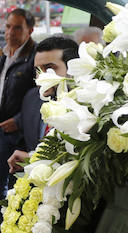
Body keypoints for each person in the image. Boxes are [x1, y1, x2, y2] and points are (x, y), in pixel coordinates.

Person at [0, 8, 37, 233]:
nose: (10, 33)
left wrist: (18, 120)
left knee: (19, 186)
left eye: (17, 28)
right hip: (4, 131)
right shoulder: (2, 55)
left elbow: (39, 96)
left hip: (25, 133)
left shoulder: (34, 56)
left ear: (29, 30)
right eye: (7, 27)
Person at [6, 36, 80, 173]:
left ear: (73, 69)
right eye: (37, 70)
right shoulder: (31, 100)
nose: (41, 77)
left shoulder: (87, 107)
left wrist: (33, 158)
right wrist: (29, 160)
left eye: (49, 69)